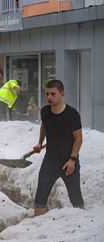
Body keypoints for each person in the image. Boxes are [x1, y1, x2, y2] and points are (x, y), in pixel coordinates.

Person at [32, 79, 84, 216]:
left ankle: (83, 223)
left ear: (62, 94)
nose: (49, 97)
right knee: (41, 195)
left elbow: (78, 138)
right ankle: (36, 231)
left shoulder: (72, 114)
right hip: (50, 160)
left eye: (53, 94)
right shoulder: (45, 111)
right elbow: (44, 126)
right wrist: (39, 142)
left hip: (68, 161)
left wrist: (72, 160)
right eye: (47, 94)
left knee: (75, 197)